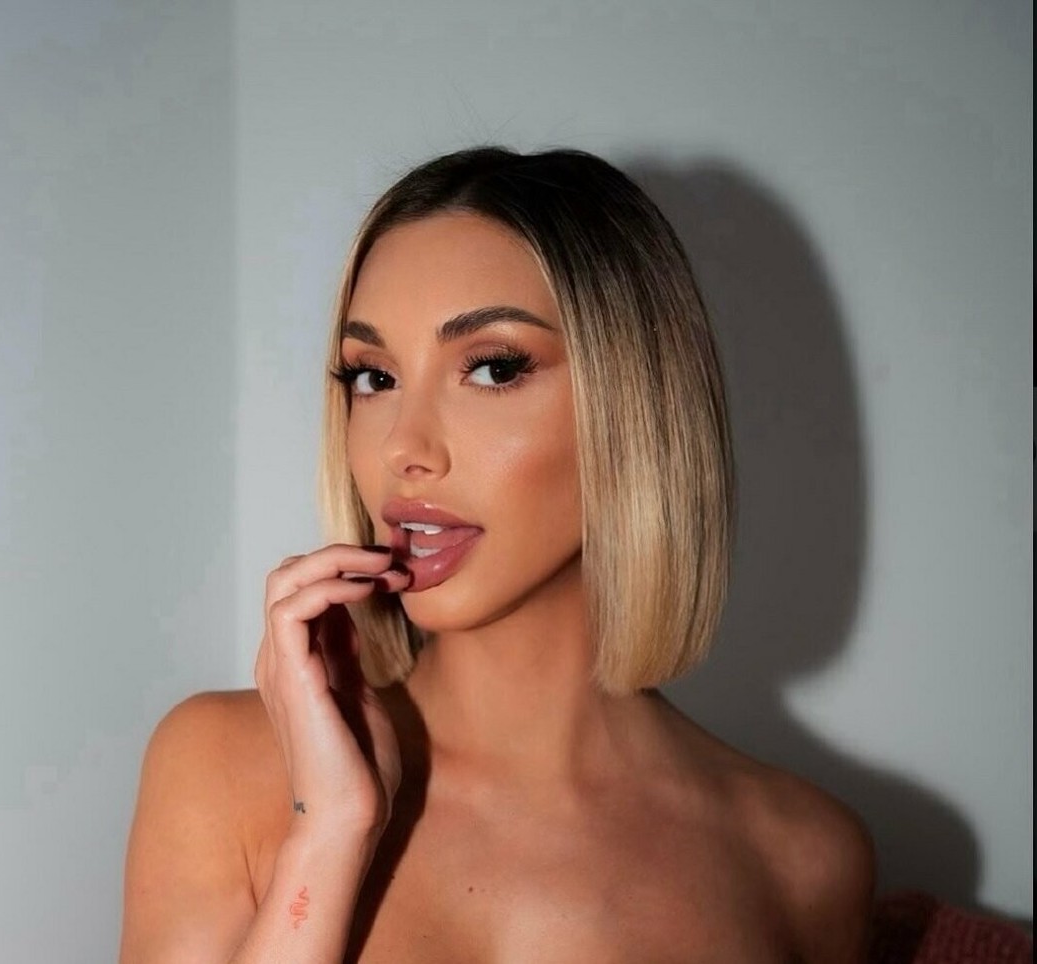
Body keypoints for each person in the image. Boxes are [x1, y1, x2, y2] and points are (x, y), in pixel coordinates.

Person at [120, 147, 875, 963]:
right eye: (373, 378)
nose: (404, 448)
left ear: (635, 406)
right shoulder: (221, 767)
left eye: (492, 368)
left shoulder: (803, 858)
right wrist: (332, 831)